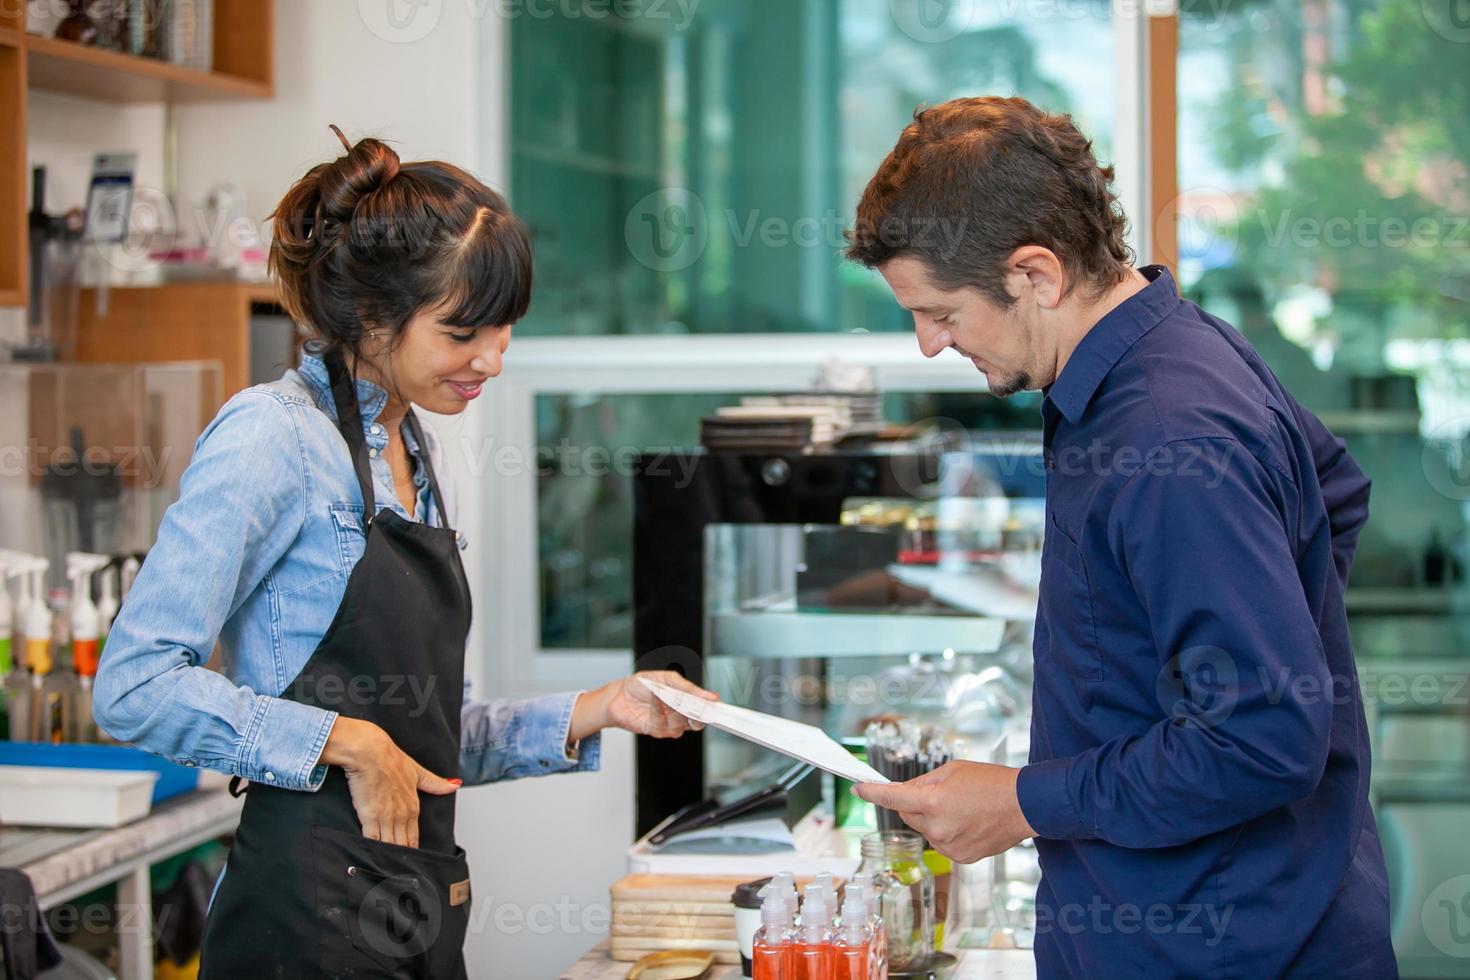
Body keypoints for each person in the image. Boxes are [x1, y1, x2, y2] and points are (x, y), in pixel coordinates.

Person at [92, 126, 716, 979]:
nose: (493, 361)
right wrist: (341, 741)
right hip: (305, 928)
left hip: (412, 909)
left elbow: (423, 739)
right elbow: (133, 686)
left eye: (505, 331)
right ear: (375, 321)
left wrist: (600, 707)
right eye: (466, 333)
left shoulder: (410, 446)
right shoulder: (271, 439)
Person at [846, 97, 1396, 977]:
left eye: (942, 312)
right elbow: (1334, 489)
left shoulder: (1166, 434)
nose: (928, 344)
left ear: (1036, 274)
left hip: (1225, 945)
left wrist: (1026, 802)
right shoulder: (1164, 355)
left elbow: (1260, 735)